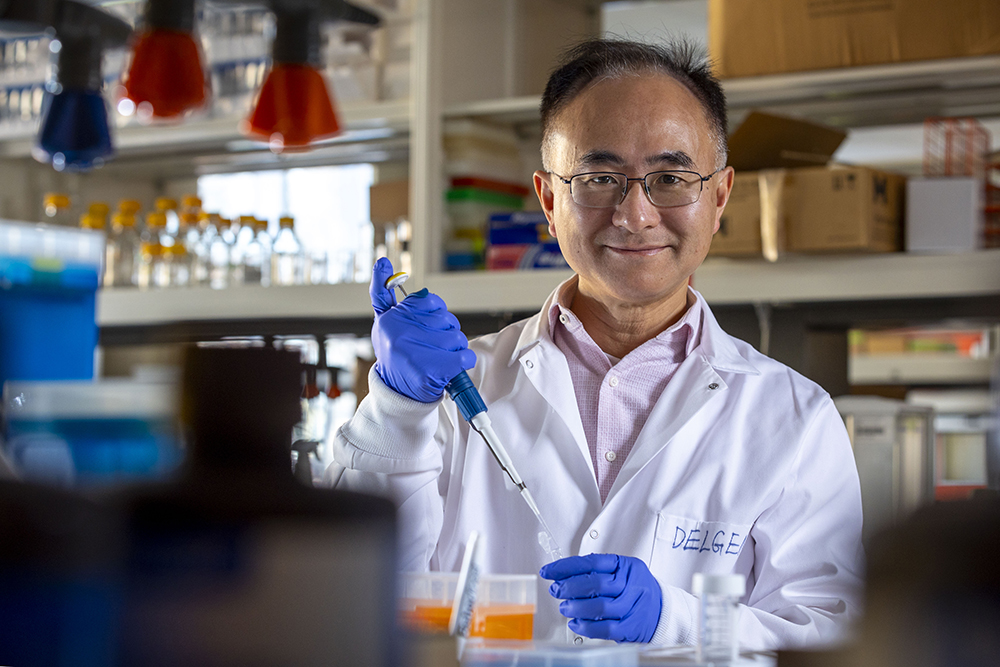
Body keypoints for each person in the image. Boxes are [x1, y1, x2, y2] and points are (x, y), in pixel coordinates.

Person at [326, 38, 864, 650]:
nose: (635, 215)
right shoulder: (449, 388)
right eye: (600, 177)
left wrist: (675, 621)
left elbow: (830, 641)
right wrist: (396, 411)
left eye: (670, 177)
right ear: (550, 201)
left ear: (719, 198)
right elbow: (353, 594)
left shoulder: (793, 418)